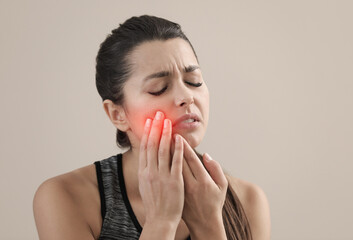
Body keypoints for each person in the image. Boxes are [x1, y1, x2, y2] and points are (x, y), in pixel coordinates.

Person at [33, 15, 271, 240]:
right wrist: (161, 221)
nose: (186, 96)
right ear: (117, 114)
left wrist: (208, 225)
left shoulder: (248, 200)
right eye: (159, 88)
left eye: (193, 81)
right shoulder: (66, 197)